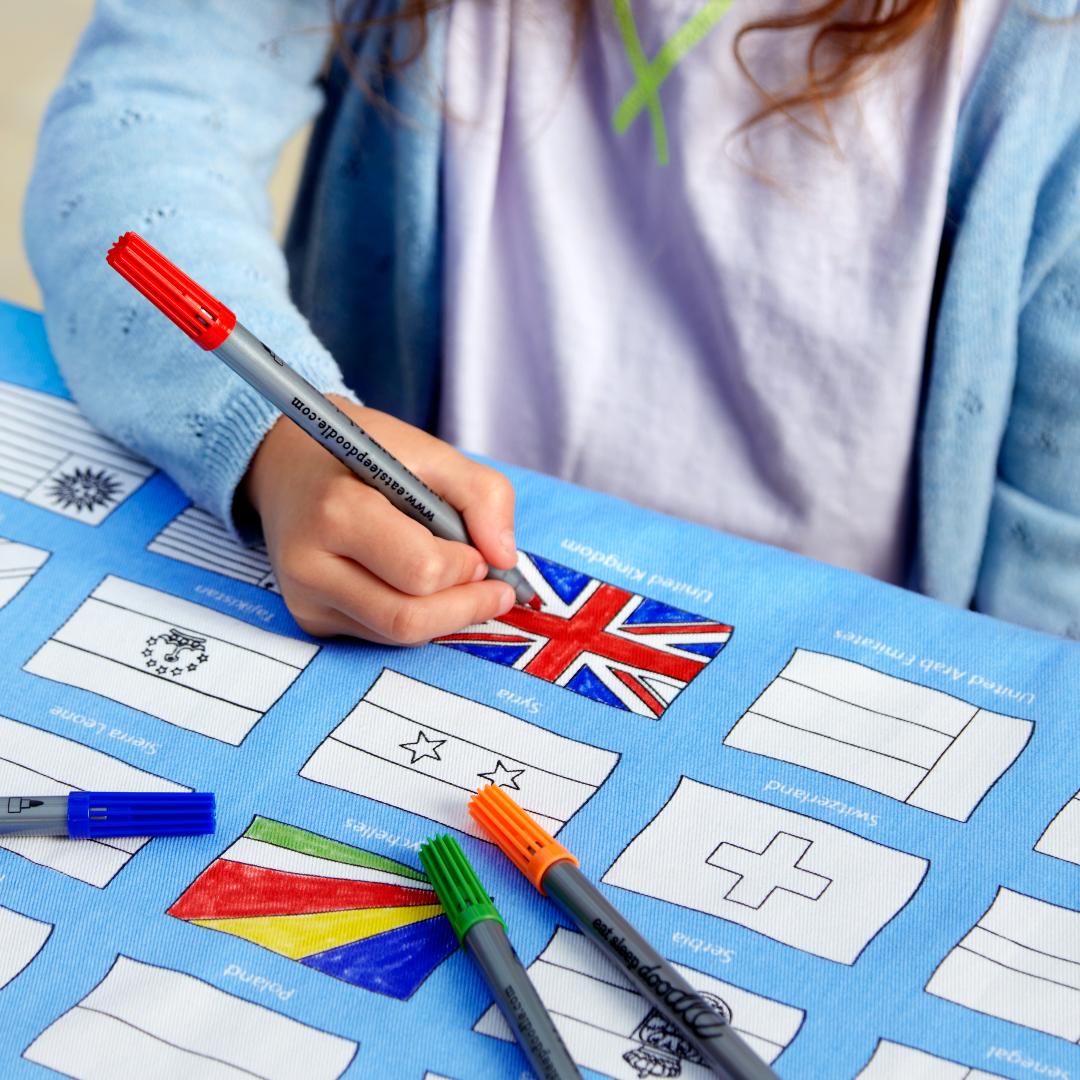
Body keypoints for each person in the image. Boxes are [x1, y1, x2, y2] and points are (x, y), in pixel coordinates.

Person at [24, 0, 1080, 645]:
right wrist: (274, 440)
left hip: (836, 690)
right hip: (418, 609)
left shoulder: (1044, 55)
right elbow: (133, 135)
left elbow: (1053, 583)